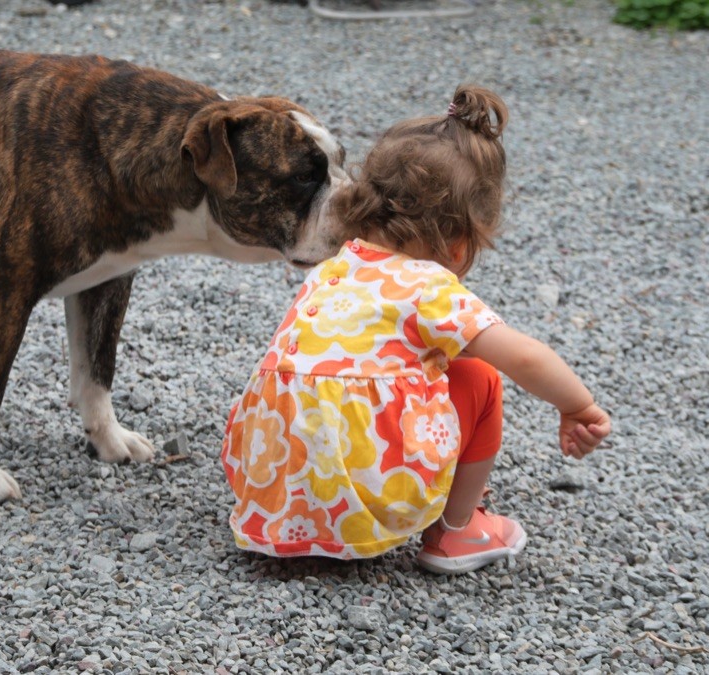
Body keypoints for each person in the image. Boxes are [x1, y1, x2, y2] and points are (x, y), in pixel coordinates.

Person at [221, 85, 611, 573]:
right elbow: (525, 358)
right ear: (460, 242)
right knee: (480, 378)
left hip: (273, 497)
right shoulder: (427, 286)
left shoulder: (336, 268)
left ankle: (306, 517)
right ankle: (455, 532)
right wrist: (578, 406)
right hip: (363, 499)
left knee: (423, 363)